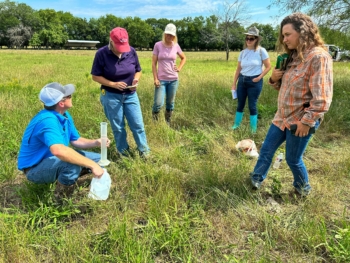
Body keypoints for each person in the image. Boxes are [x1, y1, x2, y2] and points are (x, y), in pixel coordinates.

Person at [250, 13, 333, 196]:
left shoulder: (318, 57)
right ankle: (256, 179)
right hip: (282, 117)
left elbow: (322, 98)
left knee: (293, 159)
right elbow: (282, 87)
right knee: (266, 150)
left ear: (303, 33)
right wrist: (273, 79)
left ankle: (303, 190)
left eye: (288, 35)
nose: (284, 39)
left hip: (300, 120)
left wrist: (307, 122)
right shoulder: (293, 56)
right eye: (283, 35)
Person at [18, 82, 109, 200]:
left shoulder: (64, 114)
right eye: (69, 96)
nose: (72, 97)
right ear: (61, 103)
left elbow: (75, 140)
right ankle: (61, 200)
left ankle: (66, 177)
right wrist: (91, 165)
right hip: (35, 168)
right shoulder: (48, 121)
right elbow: (59, 151)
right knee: (71, 165)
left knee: (99, 160)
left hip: (52, 161)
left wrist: (96, 142)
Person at [91, 27, 150, 157]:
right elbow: (95, 76)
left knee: (138, 124)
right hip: (111, 96)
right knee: (118, 127)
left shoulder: (131, 51)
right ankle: (124, 154)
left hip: (130, 95)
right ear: (111, 41)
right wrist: (113, 84)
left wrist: (136, 79)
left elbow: (138, 70)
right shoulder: (101, 54)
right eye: (118, 45)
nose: (121, 49)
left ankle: (144, 152)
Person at [231, 26, 271, 133]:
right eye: (247, 38)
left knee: (252, 105)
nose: (248, 41)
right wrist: (234, 83)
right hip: (242, 81)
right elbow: (238, 68)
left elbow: (268, 67)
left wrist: (259, 77)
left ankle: (253, 129)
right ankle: (236, 125)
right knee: (240, 104)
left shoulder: (261, 51)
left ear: (256, 39)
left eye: (251, 39)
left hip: (255, 82)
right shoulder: (243, 52)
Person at [152, 23, 186, 124]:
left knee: (170, 103)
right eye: (167, 34)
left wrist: (179, 68)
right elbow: (154, 63)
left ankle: (167, 122)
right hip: (161, 80)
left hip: (173, 79)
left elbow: (184, 58)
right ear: (164, 34)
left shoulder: (176, 46)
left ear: (174, 36)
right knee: (158, 103)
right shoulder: (158, 45)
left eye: (171, 35)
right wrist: (155, 78)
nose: (169, 36)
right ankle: (155, 123)